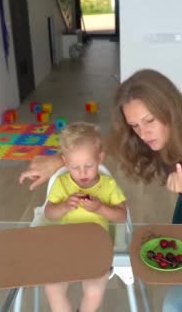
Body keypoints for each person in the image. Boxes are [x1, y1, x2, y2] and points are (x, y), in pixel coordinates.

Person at [20, 69, 182, 311]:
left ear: (171, 110)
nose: (143, 133)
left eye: (149, 121)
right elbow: (95, 150)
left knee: (175, 307)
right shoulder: (154, 136)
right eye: (134, 125)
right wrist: (59, 161)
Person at [42, 122, 127, 312]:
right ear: (65, 162)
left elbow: (122, 216)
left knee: (94, 290)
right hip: (65, 246)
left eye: (89, 166)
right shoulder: (62, 183)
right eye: (74, 167)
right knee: (52, 287)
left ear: (100, 158)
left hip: (97, 248)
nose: (82, 173)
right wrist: (64, 206)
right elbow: (49, 213)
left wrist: (100, 208)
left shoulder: (108, 185)